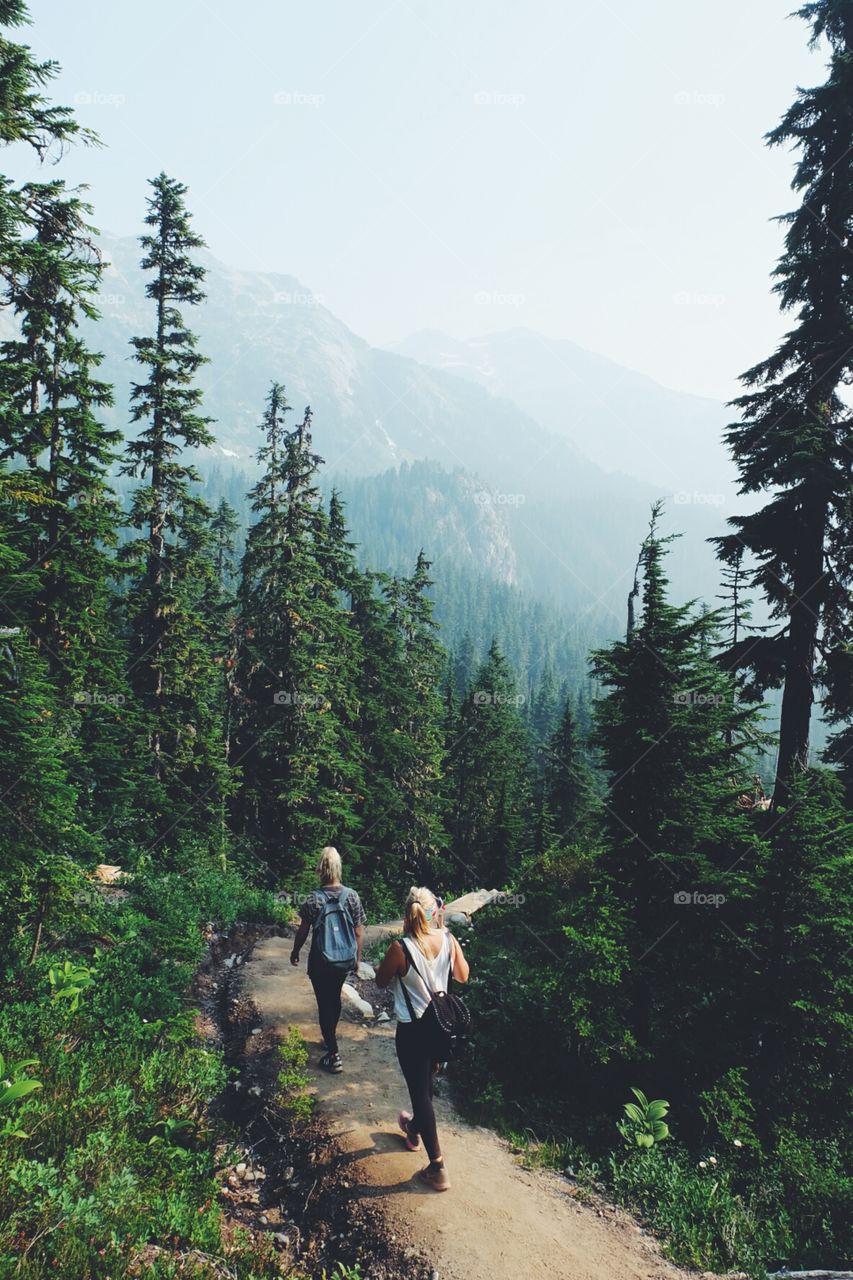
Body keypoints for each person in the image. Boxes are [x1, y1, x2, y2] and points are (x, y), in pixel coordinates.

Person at [375, 886, 469, 1192]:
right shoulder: (449, 940)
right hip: (441, 1029)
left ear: (407, 915)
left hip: (412, 1031)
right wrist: (445, 938)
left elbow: (381, 980)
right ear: (435, 913)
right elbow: (462, 976)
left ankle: (438, 1168)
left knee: (420, 1094)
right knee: (425, 1087)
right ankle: (413, 1130)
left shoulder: (400, 949)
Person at [290, 846, 366, 1073]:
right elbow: (359, 931)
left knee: (325, 1003)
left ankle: (333, 1055)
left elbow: (303, 931)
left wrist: (295, 952)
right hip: (343, 961)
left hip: (320, 962)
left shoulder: (313, 898)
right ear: (338, 868)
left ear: (321, 869)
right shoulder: (351, 896)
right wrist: (357, 959)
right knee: (334, 999)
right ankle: (329, 1036)